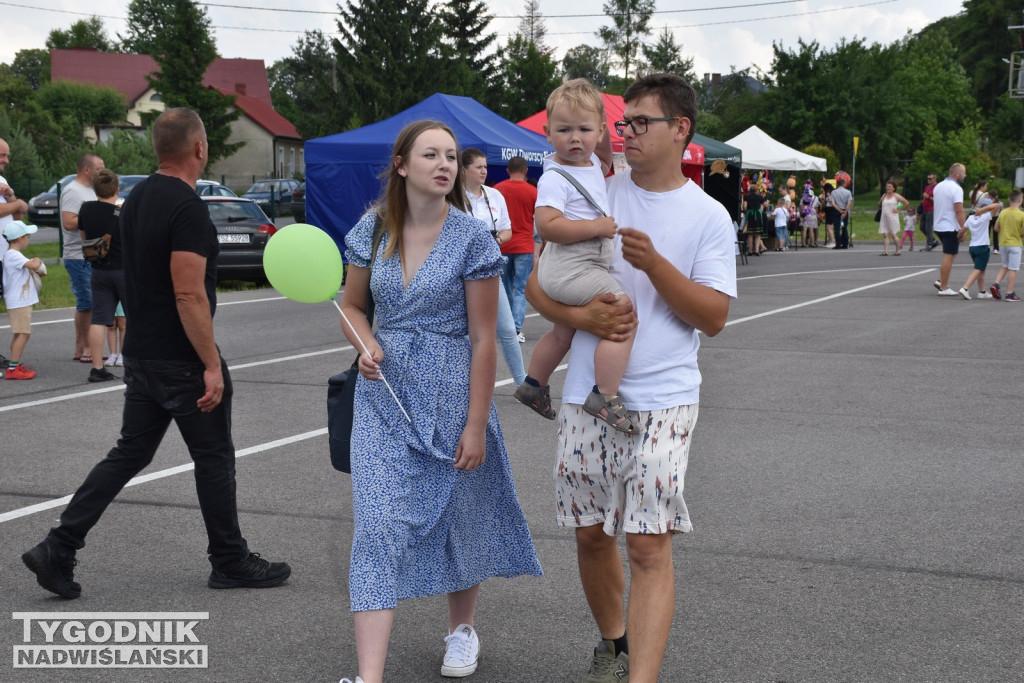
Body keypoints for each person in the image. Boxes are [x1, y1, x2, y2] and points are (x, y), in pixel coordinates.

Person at [22, 108, 291, 600]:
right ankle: (229, 560)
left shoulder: (138, 197)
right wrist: (211, 364)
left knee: (130, 453)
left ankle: (58, 545)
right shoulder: (187, 207)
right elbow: (188, 294)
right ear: (200, 149)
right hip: (179, 357)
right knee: (213, 457)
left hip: (143, 353)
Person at [526, 73, 736, 683]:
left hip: (666, 397)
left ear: (681, 130)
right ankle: (613, 644)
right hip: (585, 397)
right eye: (625, 123)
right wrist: (578, 316)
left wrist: (656, 266)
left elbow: (714, 318)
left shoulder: (709, 216)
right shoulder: (594, 190)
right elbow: (539, 286)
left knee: (647, 542)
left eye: (642, 122)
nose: (628, 133)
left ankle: (640, 677)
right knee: (591, 534)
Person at [338, 120, 542, 683]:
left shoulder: (473, 238)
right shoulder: (371, 231)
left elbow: (484, 338)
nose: (444, 164)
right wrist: (366, 344)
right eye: (431, 155)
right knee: (377, 526)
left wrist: (476, 425)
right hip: (383, 398)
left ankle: (461, 631)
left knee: (460, 517)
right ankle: (369, 677)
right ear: (402, 165)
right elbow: (352, 307)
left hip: (454, 394)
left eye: (451, 156)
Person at [513, 78, 637, 433]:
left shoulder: (593, 165)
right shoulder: (556, 177)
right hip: (571, 263)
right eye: (564, 130)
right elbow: (548, 226)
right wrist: (596, 228)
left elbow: (605, 154)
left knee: (563, 332)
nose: (575, 138)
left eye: (584, 129)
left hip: (573, 263)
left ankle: (533, 385)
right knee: (622, 316)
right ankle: (605, 396)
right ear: (547, 132)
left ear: (600, 132)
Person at [461, 147, 526, 386]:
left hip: (490, 269)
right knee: (468, 334)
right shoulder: (453, 197)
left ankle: (522, 384)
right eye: (478, 166)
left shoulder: (495, 195)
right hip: (462, 274)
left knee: (508, 329)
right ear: (464, 169)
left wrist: (496, 239)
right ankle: (465, 384)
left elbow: (508, 230)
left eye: (485, 166)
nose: (483, 170)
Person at [78, 168, 125, 383]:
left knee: (99, 319)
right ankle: (138, 364)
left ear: (95, 189)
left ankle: (97, 369)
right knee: (134, 317)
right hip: (124, 270)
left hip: (98, 271)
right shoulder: (124, 212)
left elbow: (84, 236)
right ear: (116, 188)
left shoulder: (86, 209)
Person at [61, 153, 104, 363]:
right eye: (99, 168)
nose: (102, 172)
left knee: (86, 302)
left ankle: (81, 345)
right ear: (86, 169)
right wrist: (95, 217)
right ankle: (86, 346)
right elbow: (68, 222)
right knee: (87, 302)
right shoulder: (72, 190)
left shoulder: (90, 190)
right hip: (78, 255)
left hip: (91, 253)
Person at [494, 156, 537, 342]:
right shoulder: (533, 192)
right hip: (525, 244)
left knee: (504, 287)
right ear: (526, 170)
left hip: (503, 243)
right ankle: (516, 327)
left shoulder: (497, 190)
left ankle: (508, 326)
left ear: (507, 170)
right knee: (520, 289)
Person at [0, 136, 30, 367]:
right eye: (2, 155)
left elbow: (19, 213)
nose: (6, 160)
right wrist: (16, 203)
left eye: (7, 155)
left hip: (4, 254)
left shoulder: (2, 180)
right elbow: (18, 207)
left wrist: (11, 199)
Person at [3, 220, 45, 380]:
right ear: (20, 238)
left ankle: (14, 363)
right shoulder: (13, 255)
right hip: (18, 302)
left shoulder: (13, 254)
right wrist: (37, 260)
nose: (29, 239)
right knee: (24, 333)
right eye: (27, 236)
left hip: (20, 301)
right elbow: (34, 266)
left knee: (19, 333)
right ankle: (13, 369)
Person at [932, 163, 967, 296]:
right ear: (957, 174)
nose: (965, 175)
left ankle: (941, 280)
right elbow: (959, 210)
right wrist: (963, 229)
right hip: (950, 226)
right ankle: (944, 288)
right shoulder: (956, 189)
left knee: (952, 253)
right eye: (964, 173)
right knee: (948, 255)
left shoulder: (939, 186)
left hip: (939, 225)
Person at [955, 201, 1001, 299]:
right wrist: (984, 210)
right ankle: (965, 288)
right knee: (978, 269)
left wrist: (959, 237)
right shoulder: (985, 217)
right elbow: (996, 206)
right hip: (982, 247)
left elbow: (961, 232)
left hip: (972, 247)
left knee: (981, 269)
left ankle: (982, 291)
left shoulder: (970, 218)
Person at [989, 189, 1024, 301]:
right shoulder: (1022, 215)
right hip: (1015, 244)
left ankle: (996, 283)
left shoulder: (1003, 212)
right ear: (1020, 200)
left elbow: (996, 228)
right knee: (1013, 269)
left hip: (1003, 244)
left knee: (1005, 266)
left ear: (1009, 199)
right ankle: (1009, 293)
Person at [877, 180, 911, 256]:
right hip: (884, 217)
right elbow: (879, 204)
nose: (887, 188)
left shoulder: (896, 195)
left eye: (889, 186)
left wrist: (899, 210)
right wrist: (881, 201)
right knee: (885, 234)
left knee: (893, 234)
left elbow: (906, 203)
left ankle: (898, 250)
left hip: (892, 217)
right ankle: (885, 251)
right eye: (887, 186)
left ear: (893, 188)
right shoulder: (884, 195)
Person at [829, 177, 853, 249]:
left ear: (838, 184)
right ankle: (845, 244)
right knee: (844, 227)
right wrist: (845, 211)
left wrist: (839, 210)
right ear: (844, 184)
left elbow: (833, 203)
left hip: (837, 211)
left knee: (836, 228)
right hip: (845, 211)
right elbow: (849, 202)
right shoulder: (848, 192)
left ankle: (838, 244)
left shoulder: (833, 192)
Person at [921, 172, 939, 250]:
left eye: (930, 178)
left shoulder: (937, 188)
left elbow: (938, 200)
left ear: (935, 179)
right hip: (924, 209)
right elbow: (923, 199)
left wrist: (928, 197)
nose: (928, 180)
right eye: (927, 178)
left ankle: (930, 244)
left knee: (928, 227)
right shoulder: (927, 187)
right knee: (922, 227)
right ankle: (933, 240)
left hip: (931, 210)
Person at [105, 302, 126, 367]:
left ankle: (122, 354)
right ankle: (112, 354)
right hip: (110, 297)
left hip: (122, 297)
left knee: (122, 325)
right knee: (111, 325)